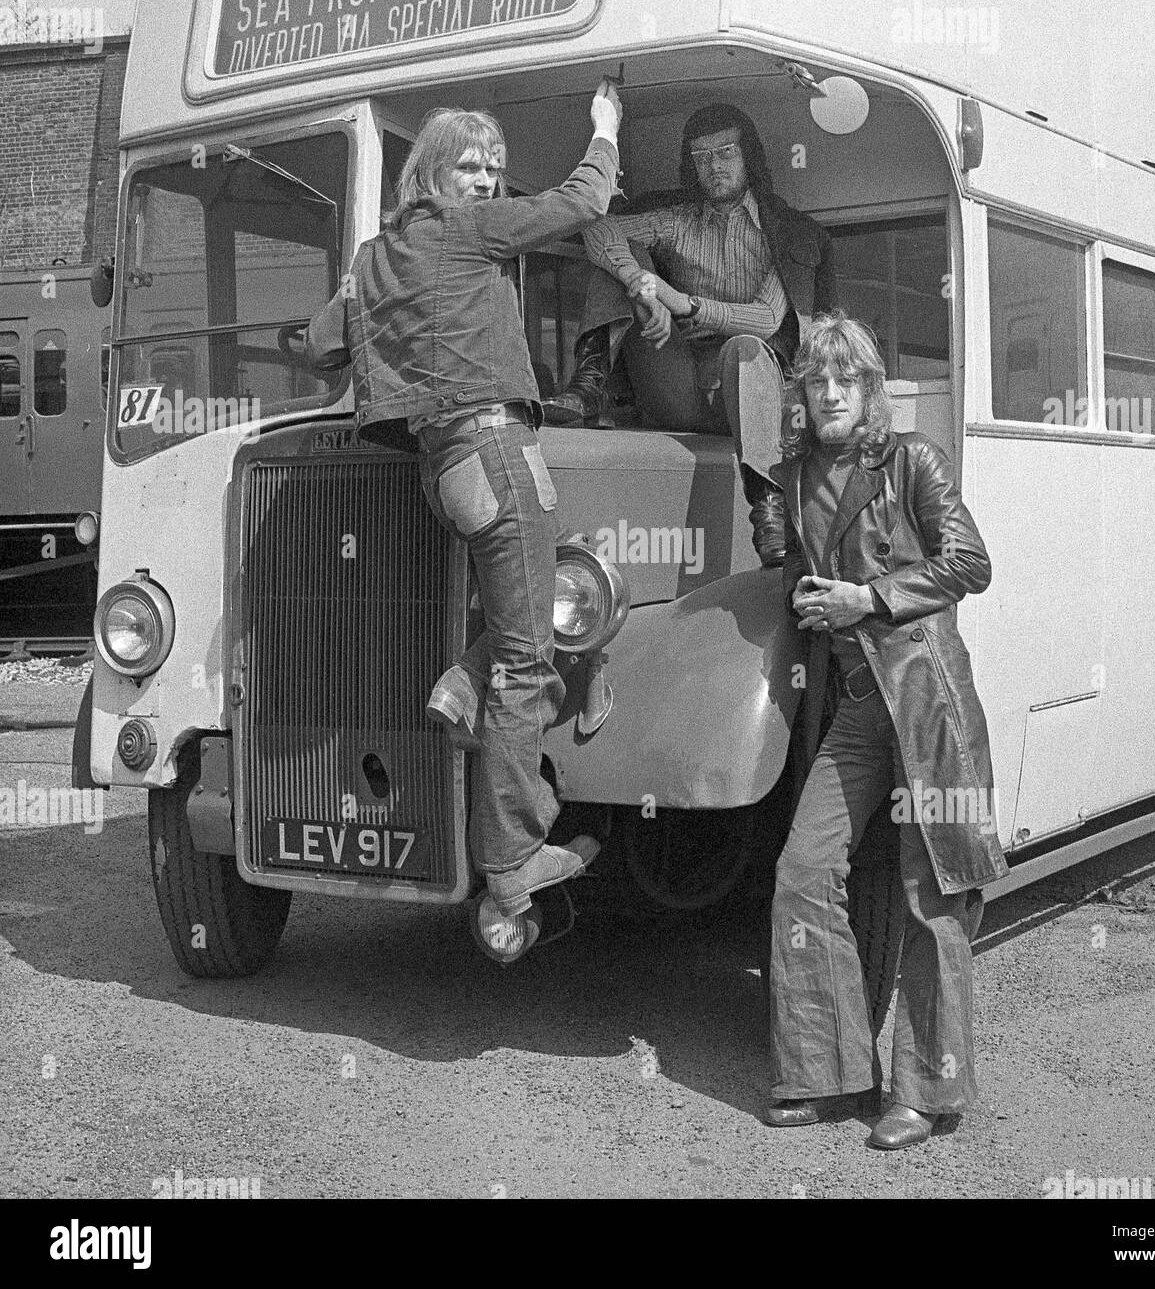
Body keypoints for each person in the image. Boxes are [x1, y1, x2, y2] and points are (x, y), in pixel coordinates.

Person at [304, 82, 624, 923]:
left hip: (441, 473)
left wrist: (349, 289)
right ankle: (512, 858)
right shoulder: (468, 230)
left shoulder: (376, 256)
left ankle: (458, 683)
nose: (486, 182)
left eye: (494, 170)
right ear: (432, 174)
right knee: (530, 656)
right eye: (470, 167)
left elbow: (318, 352)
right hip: (494, 447)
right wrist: (604, 128)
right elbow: (584, 201)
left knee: (531, 606)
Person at [766, 311, 1008, 1148]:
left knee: (932, 891)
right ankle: (828, 1072)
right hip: (861, 709)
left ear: (870, 391)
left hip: (927, 700)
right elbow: (804, 570)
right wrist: (798, 579)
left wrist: (867, 599)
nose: (830, 392)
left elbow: (970, 562)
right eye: (816, 380)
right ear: (801, 392)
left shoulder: (912, 460)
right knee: (802, 869)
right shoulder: (794, 474)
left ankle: (924, 1093)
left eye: (847, 380)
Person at [546, 103, 836, 567]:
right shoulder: (678, 219)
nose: (714, 166)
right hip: (677, 380)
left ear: (749, 157)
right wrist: (643, 289)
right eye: (702, 157)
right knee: (619, 259)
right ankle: (588, 387)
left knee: (744, 349)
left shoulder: (789, 232)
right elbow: (597, 228)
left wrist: (686, 303)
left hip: (751, 400)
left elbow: (766, 319)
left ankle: (768, 508)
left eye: (725, 152)